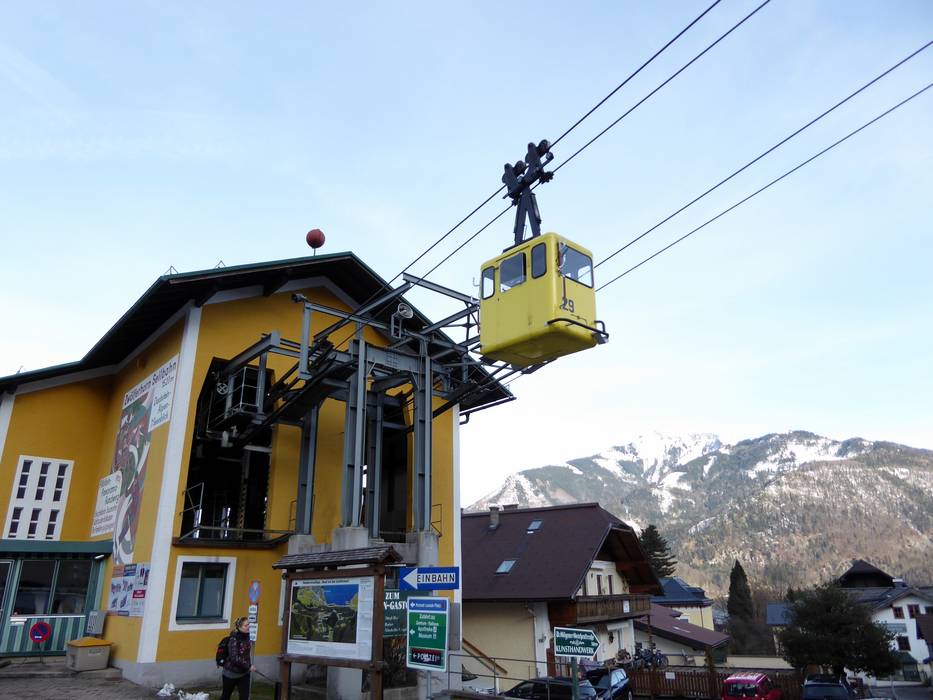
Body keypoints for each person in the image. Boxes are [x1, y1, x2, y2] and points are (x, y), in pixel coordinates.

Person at [220, 616, 256, 700]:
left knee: (244, 697)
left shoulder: (248, 637)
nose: (248, 627)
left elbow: (246, 655)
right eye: (246, 625)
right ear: (239, 627)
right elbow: (234, 658)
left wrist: (247, 667)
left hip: (244, 673)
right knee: (225, 696)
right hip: (230, 674)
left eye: (249, 624)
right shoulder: (234, 639)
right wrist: (248, 666)